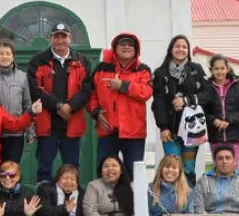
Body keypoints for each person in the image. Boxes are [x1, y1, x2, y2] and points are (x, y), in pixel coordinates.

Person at [27, 23, 92, 183]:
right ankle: (44, 202)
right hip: (46, 124)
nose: (60, 40)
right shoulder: (38, 61)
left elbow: (86, 89)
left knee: (72, 167)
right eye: (56, 36)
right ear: (50, 38)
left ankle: (72, 204)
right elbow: (35, 89)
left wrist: (70, 106)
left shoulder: (82, 61)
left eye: (64, 36)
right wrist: (58, 105)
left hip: (72, 123)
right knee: (44, 168)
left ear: (70, 39)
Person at [151, 35, 218, 186]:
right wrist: (163, 127)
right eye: (177, 46)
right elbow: (158, 103)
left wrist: (187, 100)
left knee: (188, 169)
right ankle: (172, 204)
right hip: (170, 130)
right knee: (171, 168)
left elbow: (207, 94)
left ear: (188, 51)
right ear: (171, 49)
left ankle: (188, 205)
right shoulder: (161, 73)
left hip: (192, 130)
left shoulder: (196, 70)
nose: (181, 49)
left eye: (184, 47)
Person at [91, 32, 154, 176]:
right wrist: (96, 112)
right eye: (123, 44)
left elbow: (146, 92)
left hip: (134, 131)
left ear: (136, 50)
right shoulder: (101, 68)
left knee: (134, 174)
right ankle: (105, 199)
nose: (126, 47)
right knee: (105, 173)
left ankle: (132, 199)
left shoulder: (143, 70)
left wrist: (123, 85)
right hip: (107, 129)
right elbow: (91, 94)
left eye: (130, 45)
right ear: (115, 47)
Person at [0, 40, 40, 166]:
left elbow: (27, 104)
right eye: (1, 53)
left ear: (13, 56)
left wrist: (30, 131)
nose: (4, 57)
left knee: (11, 168)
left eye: (8, 53)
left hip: (16, 132)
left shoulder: (22, 77)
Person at [205, 55, 239, 169]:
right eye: (216, 69)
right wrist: (212, 120)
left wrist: (229, 120)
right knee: (219, 168)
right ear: (211, 70)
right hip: (215, 136)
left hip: (234, 135)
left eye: (222, 68)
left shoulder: (238, 88)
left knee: (233, 168)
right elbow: (202, 111)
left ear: (227, 69)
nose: (219, 71)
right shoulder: (206, 88)